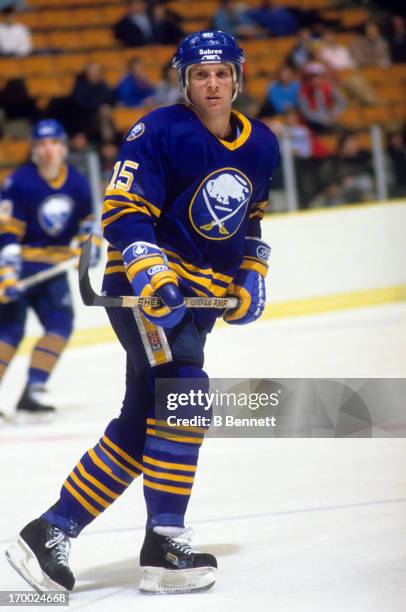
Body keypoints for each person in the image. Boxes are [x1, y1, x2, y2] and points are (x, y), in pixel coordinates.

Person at [5, 30, 279, 595]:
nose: (211, 83)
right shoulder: (157, 130)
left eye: (221, 73)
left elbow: (250, 222)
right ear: (184, 79)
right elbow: (124, 211)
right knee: (185, 395)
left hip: (197, 304)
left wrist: (253, 274)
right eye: (200, 74)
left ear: (237, 77)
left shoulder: (263, 144)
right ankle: (165, 539)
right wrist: (152, 271)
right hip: (146, 295)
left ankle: (50, 530)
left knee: (140, 425)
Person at [0, 119, 99, 420]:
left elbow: (87, 223)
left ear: (63, 146)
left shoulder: (77, 182)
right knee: (9, 331)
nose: (47, 150)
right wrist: (6, 273)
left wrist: (88, 247)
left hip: (53, 268)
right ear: (33, 149)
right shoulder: (19, 182)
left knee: (60, 324)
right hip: (20, 265)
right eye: (41, 144)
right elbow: (7, 231)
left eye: (53, 143)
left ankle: (34, 390)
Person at [298, 62, 346, 133]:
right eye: (312, 77)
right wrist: (322, 119)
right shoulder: (303, 92)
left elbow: (342, 101)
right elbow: (306, 113)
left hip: (328, 120)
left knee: (342, 129)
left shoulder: (327, 88)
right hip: (313, 123)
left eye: (317, 76)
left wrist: (333, 113)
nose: (315, 79)